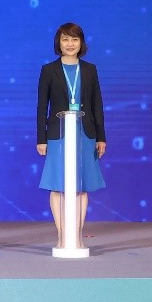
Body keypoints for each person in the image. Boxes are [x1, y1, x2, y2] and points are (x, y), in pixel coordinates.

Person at [36, 22, 107, 248]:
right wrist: (41, 138)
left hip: (85, 134)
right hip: (58, 135)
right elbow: (42, 107)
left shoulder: (90, 70)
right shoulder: (49, 70)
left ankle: (76, 236)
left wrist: (101, 137)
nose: (70, 44)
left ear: (81, 43)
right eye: (65, 39)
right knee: (57, 184)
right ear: (58, 42)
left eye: (74, 39)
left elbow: (97, 105)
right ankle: (62, 235)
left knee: (81, 185)